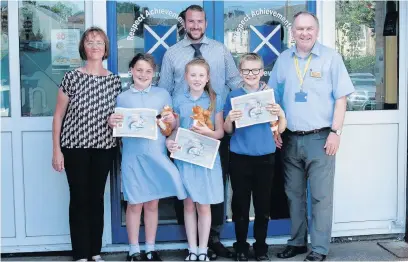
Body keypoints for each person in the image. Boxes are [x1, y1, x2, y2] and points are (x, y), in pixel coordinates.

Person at [268, 11, 354, 261]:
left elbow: (341, 98)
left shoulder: (331, 58)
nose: (304, 33)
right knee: (293, 196)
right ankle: (296, 243)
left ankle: (319, 248)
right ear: (292, 32)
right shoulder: (284, 59)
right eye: (299, 29)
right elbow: (272, 98)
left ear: (316, 31)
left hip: (321, 138)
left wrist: (336, 132)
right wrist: (275, 128)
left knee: (320, 197)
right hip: (290, 138)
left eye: (309, 29)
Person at [159, 5, 241, 259]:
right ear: (184, 23)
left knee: (213, 188)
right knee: (186, 195)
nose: (195, 25)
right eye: (191, 21)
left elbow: (236, 82)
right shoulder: (172, 54)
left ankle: (211, 240)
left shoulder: (220, 50)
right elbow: (164, 91)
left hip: (214, 129)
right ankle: (191, 244)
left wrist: (256, 95)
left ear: (206, 23)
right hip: (182, 133)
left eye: (200, 21)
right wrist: (167, 131)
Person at [108, 54, 187, 261]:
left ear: (154, 74)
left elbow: (170, 127)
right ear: (131, 70)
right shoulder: (122, 97)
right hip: (133, 157)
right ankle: (134, 249)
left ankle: (150, 248)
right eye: (139, 70)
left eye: (148, 71)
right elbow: (118, 127)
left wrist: (172, 122)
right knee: (134, 204)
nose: (143, 74)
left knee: (152, 203)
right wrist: (112, 121)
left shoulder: (162, 95)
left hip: (156, 153)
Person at [52, 27, 122, 261]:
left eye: (99, 42)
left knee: (96, 198)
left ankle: (95, 251)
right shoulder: (72, 77)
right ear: (83, 47)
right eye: (90, 42)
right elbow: (58, 116)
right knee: (79, 197)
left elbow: (119, 116)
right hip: (74, 147)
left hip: (104, 147)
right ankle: (81, 253)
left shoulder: (113, 81)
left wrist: (115, 120)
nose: (94, 46)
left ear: (105, 49)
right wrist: (56, 150)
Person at [223, 53, 287, 261]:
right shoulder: (233, 96)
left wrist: (280, 114)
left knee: (263, 206)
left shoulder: (270, 94)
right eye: (246, 71)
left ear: (261, 72)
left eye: (255, 70)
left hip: (265, 157)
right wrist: (230, 119)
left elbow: (281, 128)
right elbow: (227, 130)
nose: (251, 74)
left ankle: (261, 248)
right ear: (240, 73)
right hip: (240, 157)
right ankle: (241, 246)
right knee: (239, 206)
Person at [166, 58, 225, 261]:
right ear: (186, 77)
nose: (197, 79)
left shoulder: (214, 99)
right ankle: (192, 249)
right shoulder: (178, 99)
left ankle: (203, 249)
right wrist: (168, 143)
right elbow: (173, 130)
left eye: (201, 75)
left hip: (206, 159)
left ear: (208, 77)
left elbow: (219, 134)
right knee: (189, 205)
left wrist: (206, 131)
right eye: (193, 75)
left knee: (204, 205)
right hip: (184, 158)